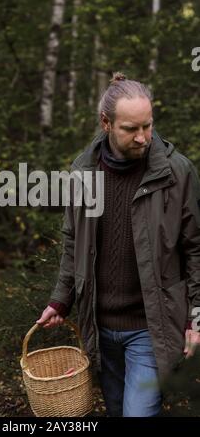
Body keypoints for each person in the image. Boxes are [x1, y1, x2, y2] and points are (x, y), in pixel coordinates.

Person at [36, 72, 200, 417]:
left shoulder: (177, 173)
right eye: (131, 129)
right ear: (106, 123)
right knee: (115, 410)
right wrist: (60, 299)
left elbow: (195, 250)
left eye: (148, 125)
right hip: (99, 324)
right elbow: (73, 242)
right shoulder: (82, 172)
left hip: (150, 327)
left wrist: (195, 319)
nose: (143, 137)